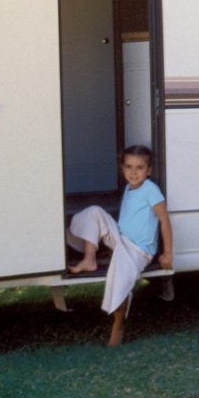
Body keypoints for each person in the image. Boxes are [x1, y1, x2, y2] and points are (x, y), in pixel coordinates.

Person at [67, 145, 173, 347]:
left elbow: (164, 220)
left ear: (149, 170)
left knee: (120, 279)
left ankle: (118, 324)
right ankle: (89, 258)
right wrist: (113, 241)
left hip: (138, 250)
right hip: (121, 240)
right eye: (128, 167)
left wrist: (167, 254)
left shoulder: (151, 190)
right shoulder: (128, 188)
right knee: (94, 212)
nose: (133, 173)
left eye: (139, 168)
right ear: (122, 168)